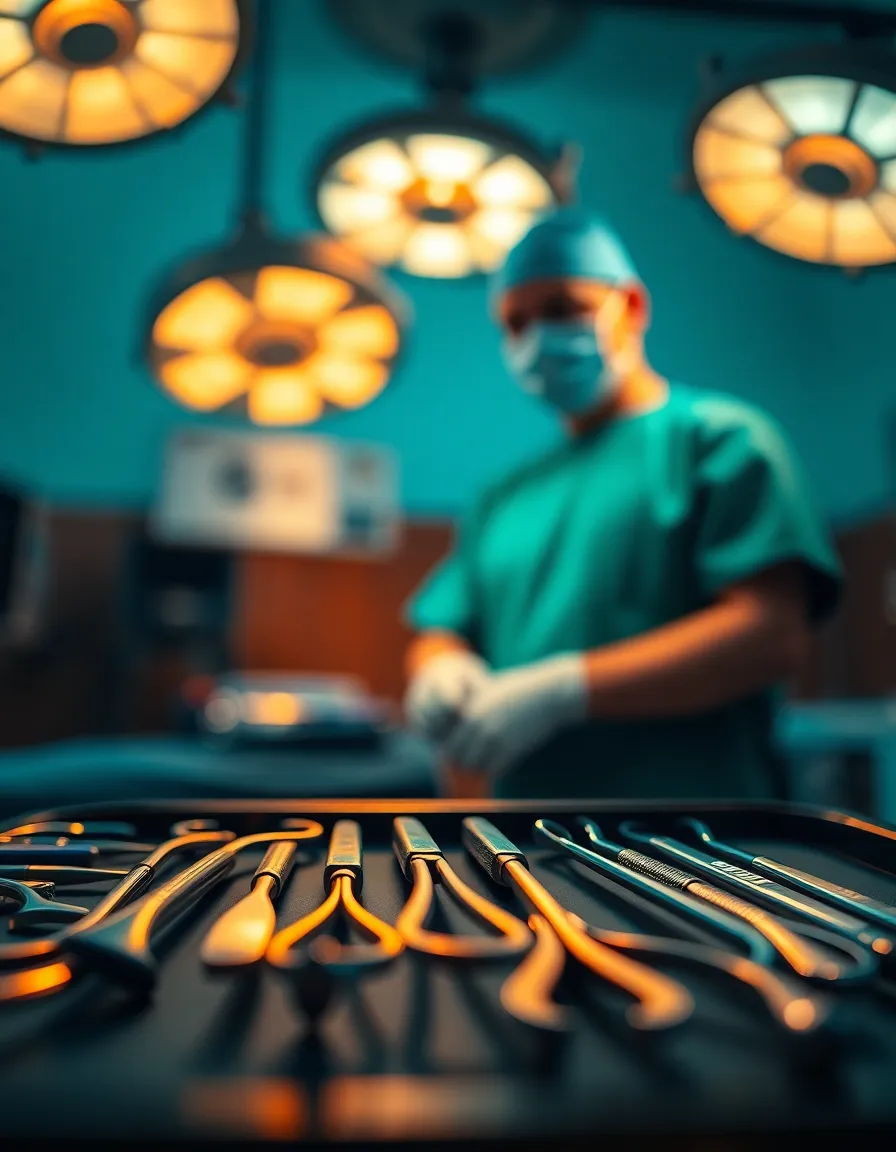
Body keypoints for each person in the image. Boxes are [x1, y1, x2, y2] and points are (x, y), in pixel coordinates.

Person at [402, 205, 841, 801]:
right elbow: (443, 625)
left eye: (561, 309)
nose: (536, 340)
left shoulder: (717, 439)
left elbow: (769, 633)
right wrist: (438, 671)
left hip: (697, 835)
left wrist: (566, 690)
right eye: (515, 323)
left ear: (631, 307)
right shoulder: (504, 495)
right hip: (522, 835)